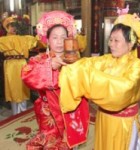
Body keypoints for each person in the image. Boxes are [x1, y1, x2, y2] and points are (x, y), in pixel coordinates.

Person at [59, 13, 140, 150]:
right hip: (103, 117)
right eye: (110, 39)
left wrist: (89, 76)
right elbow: (88, 64)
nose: (111, 44)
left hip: (122, 123)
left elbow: (124, 89)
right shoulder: (107, 59)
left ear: (130, 44)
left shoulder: (137, 65)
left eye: (116, 40)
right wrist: (73, 65)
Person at [21, 10, 89, 149]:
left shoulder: (74, 60)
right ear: (47, 40)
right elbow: (27, 76)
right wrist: (50, 66)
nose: (59, 42)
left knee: (70, 141)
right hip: (49, 113)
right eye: (55, 37)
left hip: (71, 111)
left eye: (63, 37)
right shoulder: (39, 60)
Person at [0, 13, 37, 115]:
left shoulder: (23, 38)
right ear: (6, 27)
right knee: (13, 87)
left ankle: (23, 111)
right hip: (10, 65)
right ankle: (15, 113)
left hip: (22, 63)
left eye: (14, 26)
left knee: (23, 86)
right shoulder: (3, 40)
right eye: (11, 26)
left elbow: (35, 40)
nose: (13, 28)